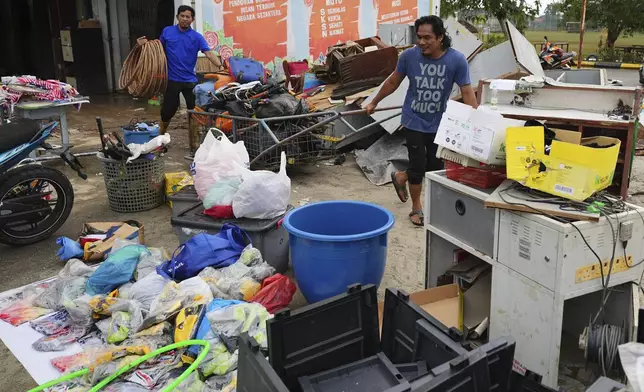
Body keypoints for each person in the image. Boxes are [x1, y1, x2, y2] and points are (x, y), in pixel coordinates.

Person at [365, 15, 478, 226]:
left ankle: (401, 177)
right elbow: (393, 81)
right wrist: (374, 102)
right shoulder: (409, 57)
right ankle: (416, 208)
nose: (422, 42)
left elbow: (467, 91)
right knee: (418, 167)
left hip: (439, 123)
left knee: (434, 168)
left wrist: (476, 119)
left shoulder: (456, 60)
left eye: (427, 38)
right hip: (413, 119)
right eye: (419, 37)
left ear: (440, 37)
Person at [137, 5, 222, 147]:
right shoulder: (167, 31)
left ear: (192, 19)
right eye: (182, 16)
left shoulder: (196, 37)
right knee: (167, 111)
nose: (184, 19)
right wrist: (144, 45)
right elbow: (157, 48)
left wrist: (220, 66)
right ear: (177, 17)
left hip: (190, 80)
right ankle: (162, 135)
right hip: (172, 79)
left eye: (187, 16)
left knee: (194, 112)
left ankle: (194, 143)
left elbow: (208, 53)